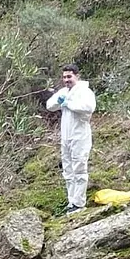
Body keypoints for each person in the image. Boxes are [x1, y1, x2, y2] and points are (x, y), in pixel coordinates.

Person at [45, 64, 96, 214]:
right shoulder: (63, 91)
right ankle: (71, 201)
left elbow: (89, 107)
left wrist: (69, 104)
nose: (66, 80)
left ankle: (79, 203)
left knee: (79, 168)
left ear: (76, 76)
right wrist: (59, 101)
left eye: (69, 76)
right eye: (64, 77)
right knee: (68, 170)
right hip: (66, 136)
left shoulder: (85, 92)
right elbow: (50, 105)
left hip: (80, 136)